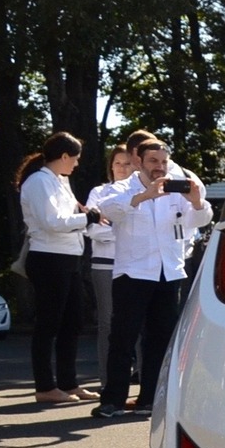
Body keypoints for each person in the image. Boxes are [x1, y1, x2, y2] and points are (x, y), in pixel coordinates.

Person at [88, 139, 209, 418]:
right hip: (134, 271)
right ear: (138, 161)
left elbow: (199, 220)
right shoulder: (123, 187)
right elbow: (109, 210)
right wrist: (144, 196)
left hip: (169, 271)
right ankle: (113, 400)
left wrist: (196, 201)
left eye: (164, 161)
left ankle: (150, 398)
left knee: (160, 338)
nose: (160, 167)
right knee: (123, 337)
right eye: (153, 161)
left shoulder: (178, 186)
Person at [18, 132, 101, 404]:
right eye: (75, 159)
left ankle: (69, 382)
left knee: (72, 321)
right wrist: (87, 218)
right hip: (48, 258)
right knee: (48, 324)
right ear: (64, 156)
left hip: (68, 257)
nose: (76, 165)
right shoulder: (39, 181)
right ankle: (45, 386)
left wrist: (87, 217)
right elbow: (53, 221)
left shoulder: (60, 180)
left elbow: (71, 216)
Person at [88, 143, 133, 385]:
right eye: (118, 163)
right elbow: (93, 230)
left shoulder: (141, 193)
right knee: (108, 323)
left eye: (127, 163)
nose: (122, 168)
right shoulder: (99, 193)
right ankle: (108, 381)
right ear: (110, 167)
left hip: (134, 266)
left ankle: (141, 381)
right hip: (104, 265)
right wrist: (126, 231)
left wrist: (113, 227)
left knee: (137, 324)